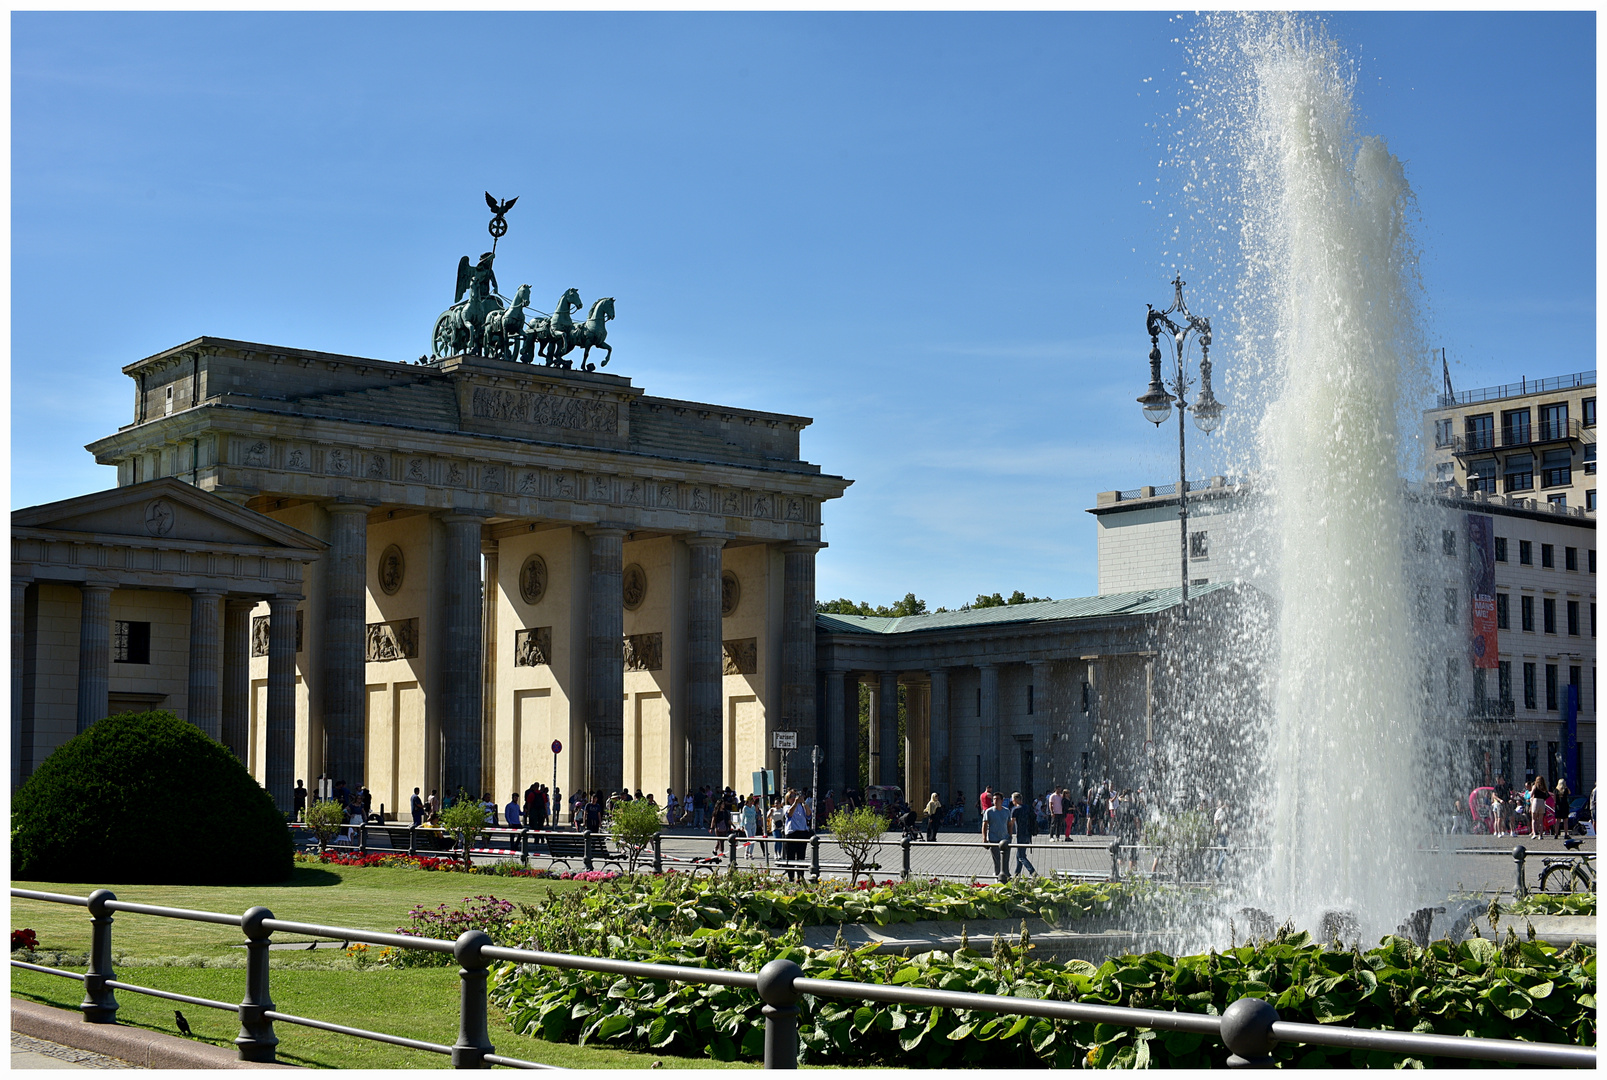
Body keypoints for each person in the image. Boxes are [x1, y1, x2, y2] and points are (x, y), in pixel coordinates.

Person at [783, 789, 811, 882]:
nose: (795, 798)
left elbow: (809, 815)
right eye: (792, 796)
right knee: (790, 857)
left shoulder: (801, 806)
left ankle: (800, 878)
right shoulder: (787, 807)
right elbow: (789, 814)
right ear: (788, 799)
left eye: (795, 796)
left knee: (801, 857)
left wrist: (804, 803)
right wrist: (795, 803)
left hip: (802, 832)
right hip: (791, 833)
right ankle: (791, 878)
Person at [982, 793, 1012, 880]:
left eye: (997, 799)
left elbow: (1009, 824)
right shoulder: (989, 811)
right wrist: (984, 839)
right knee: (997, 860)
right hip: (993, 839)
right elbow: (984, 825)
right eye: (994, 799)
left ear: (1002, 801)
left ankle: (1006, 876)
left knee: (1005, 860)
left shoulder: (1006, 811)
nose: (995, 801)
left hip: (1005, 839)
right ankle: (997, 875)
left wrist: (1010, 835)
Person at [1009, 792, 1037, 877]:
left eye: (1013, 800)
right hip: (1028, 833)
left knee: (1021, 857)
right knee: (1019, 855)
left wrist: (1009, 834)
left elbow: (1012, 823)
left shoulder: (1015, 809)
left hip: (1020, 834)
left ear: (1015, 800)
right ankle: (1017, 874)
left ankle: (1033, 872)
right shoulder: (1027, 807)